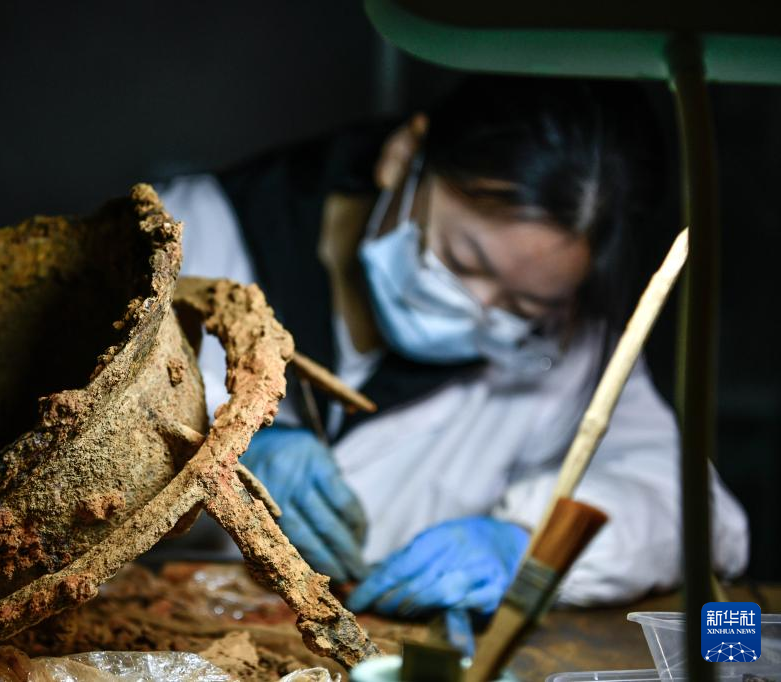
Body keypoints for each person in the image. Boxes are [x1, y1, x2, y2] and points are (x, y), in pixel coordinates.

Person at [155, 75, 748, 617]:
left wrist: (528, 546)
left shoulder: (570, 343)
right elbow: (91, 429)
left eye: (523, 307)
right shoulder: (186, 233)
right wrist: (212, 454)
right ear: (404, 155)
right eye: (463, 261)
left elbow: (700, 515)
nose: (477, 308)